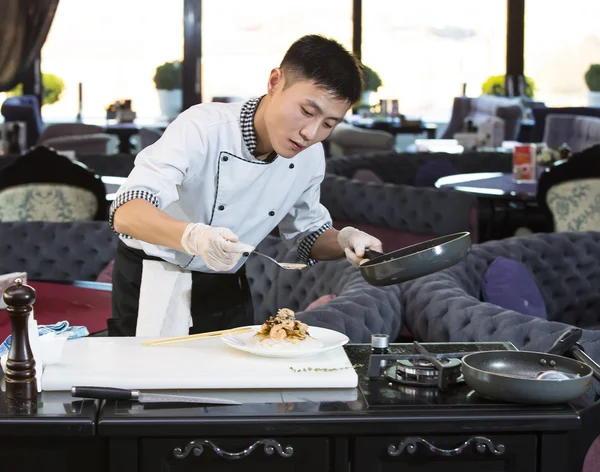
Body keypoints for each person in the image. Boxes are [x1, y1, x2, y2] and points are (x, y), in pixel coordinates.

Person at [108, 34, 383, 337]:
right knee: (148, 380)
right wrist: (194, 237)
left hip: (227, 283)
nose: (310, 133)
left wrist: (346, 240)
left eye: (329, 124)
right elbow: (128, 211)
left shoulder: (311, 157)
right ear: (275, 82)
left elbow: (306, 236)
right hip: (153, 279)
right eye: (307, 111)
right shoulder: (203, 127)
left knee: (232, 380)